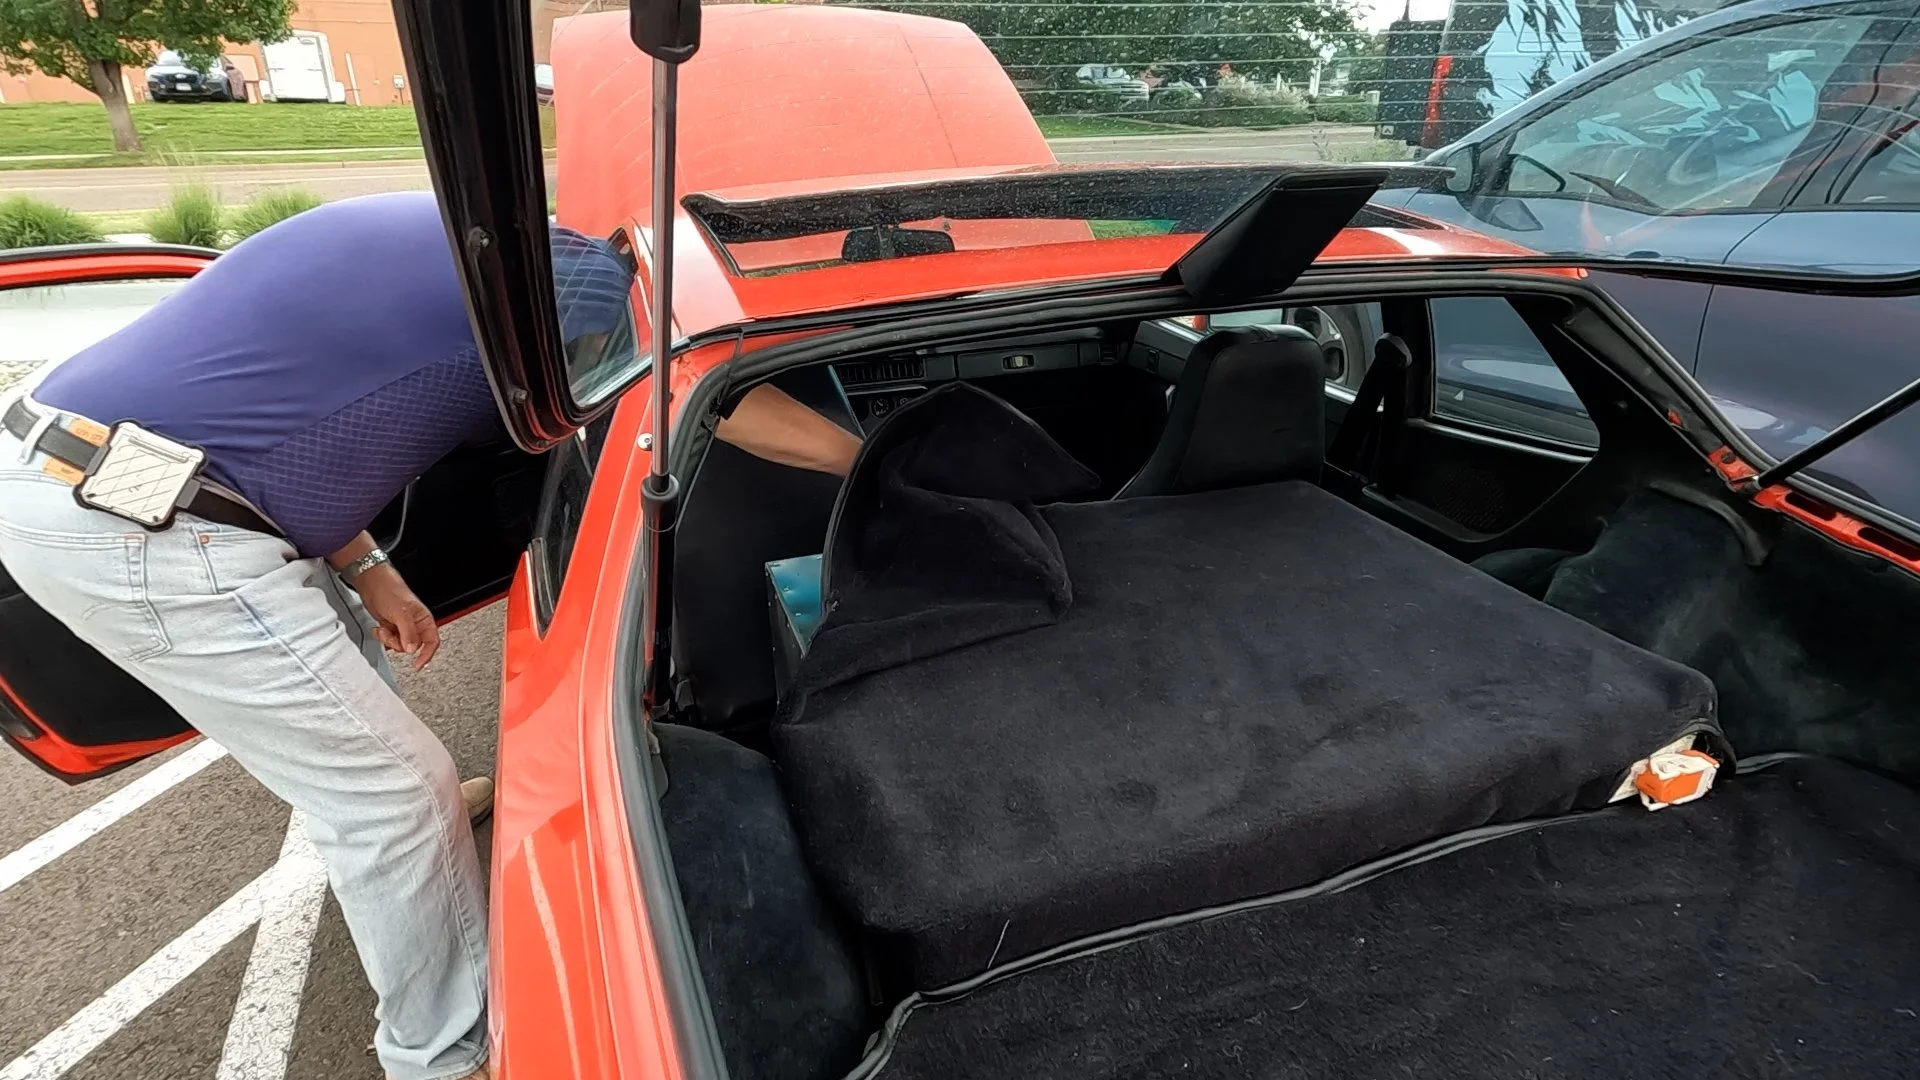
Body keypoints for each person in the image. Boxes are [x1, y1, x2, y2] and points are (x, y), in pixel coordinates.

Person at [0, 191, 859, 1080]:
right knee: (394, 797)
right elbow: (702, 398)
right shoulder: (581, 295)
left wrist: (368, 565)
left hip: (109, 460)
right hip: (137, 520)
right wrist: (873, 455)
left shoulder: (446, 235)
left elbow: (283, 411)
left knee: (365, 720)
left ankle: (425, 865)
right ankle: (442, 1055)